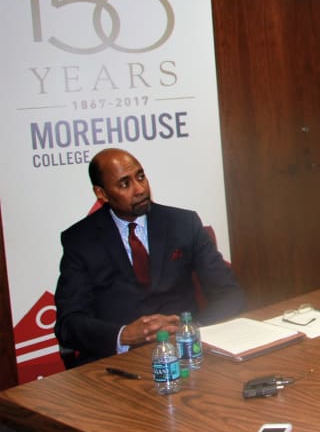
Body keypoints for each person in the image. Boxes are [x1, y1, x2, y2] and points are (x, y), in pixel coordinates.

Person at [54, 148, 245, 366]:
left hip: (185, 355)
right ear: (102, 194)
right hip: (119, 364)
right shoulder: (80, 240)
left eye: (141, 176)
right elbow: (68, 323)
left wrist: (191, 329)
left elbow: (229, 294)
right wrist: (123, 335)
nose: (140, 189)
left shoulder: (183, 224)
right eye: (125, 184)